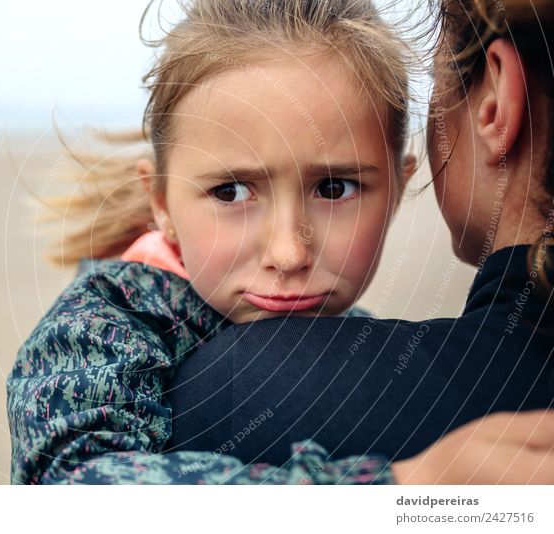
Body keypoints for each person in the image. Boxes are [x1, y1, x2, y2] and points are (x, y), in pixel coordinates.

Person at [165, 0, 554, 484]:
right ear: (158, 202)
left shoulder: (246, 389)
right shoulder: (108, 319)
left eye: (334, 188)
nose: (288, 253)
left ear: (495, 100)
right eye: (231, 191)